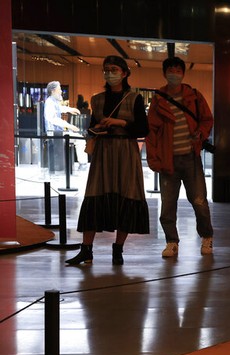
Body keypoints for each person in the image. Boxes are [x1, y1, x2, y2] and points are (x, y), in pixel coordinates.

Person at [65, 55, 149, 266]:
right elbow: (91, 127)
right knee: (94, 195)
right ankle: (86, 250)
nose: (109, 73)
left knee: (127, 195)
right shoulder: (98, 99)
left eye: (114, 69)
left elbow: (143, 129)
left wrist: (121, 122)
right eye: (106, 69)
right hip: (103, 151)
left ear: (124, 73)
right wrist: (97, 128)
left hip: (126, 152)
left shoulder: (135, 98)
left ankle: (118, 248)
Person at [146, 57, 215, 258]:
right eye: (170, 70)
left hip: (191, 158)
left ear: (183, 73)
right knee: (168, 204)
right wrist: (154, 160)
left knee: (199, 200)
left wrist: (201, 134)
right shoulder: (159, 99)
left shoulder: (193, 96)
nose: (174, 73)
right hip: (168, 160)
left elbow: (207, 119)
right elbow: (151, 131)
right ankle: (171, 242)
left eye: (177, 70)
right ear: (164, 73)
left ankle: (207, 237)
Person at [43, 80, 79, 173]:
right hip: (54, 133)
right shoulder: (49, 102)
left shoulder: (54, 101)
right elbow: (53, 119)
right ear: (53, 91)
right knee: (79, 138)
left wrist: (71, 109)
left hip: (58, 131)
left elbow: (60, 109)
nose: (61, 91)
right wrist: (69, 126)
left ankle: (77, 165)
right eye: (59, 89)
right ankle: (82, 164)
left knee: (78, 138)